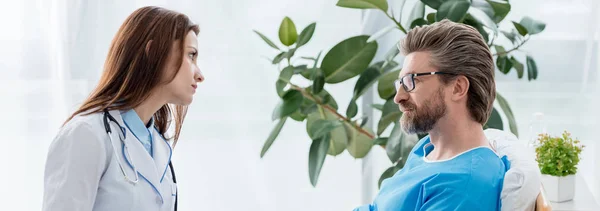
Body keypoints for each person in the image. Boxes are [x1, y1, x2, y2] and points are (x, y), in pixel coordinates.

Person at [42, 6, 204, 211]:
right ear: (154, 52)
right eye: (191, 55)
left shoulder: (158, 146)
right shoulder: (87, 134)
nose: (200, 74)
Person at [354, 20, 509, 211]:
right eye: (400, 82)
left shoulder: (463, 186)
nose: (398, 97)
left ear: (458, 88)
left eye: (412, 80)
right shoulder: (427, 149)